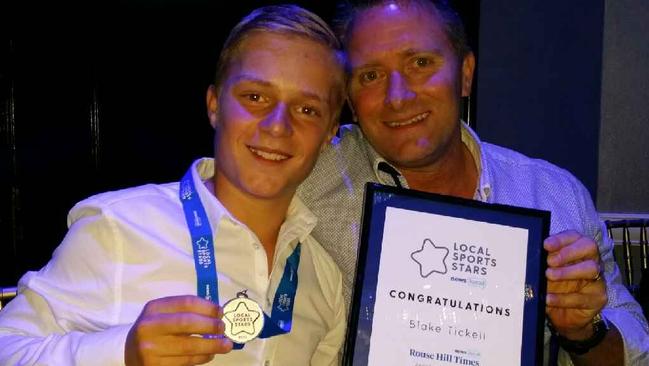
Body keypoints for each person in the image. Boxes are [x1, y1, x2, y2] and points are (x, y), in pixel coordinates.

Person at [297, 0, 649, 365]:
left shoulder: (555, 196)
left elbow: (636, 356)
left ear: (465, 74)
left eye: (420, 63)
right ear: (350, 97)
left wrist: (585, 334)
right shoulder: (308, 179)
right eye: (370, 75)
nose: (398, 97)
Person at [0, 5, 347, 365]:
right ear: (214, 106)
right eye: (255, 97)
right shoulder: (118, 228)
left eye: (307, 109)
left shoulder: (325, 280)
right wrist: (122, 352)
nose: (278, 125)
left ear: (329, 135)